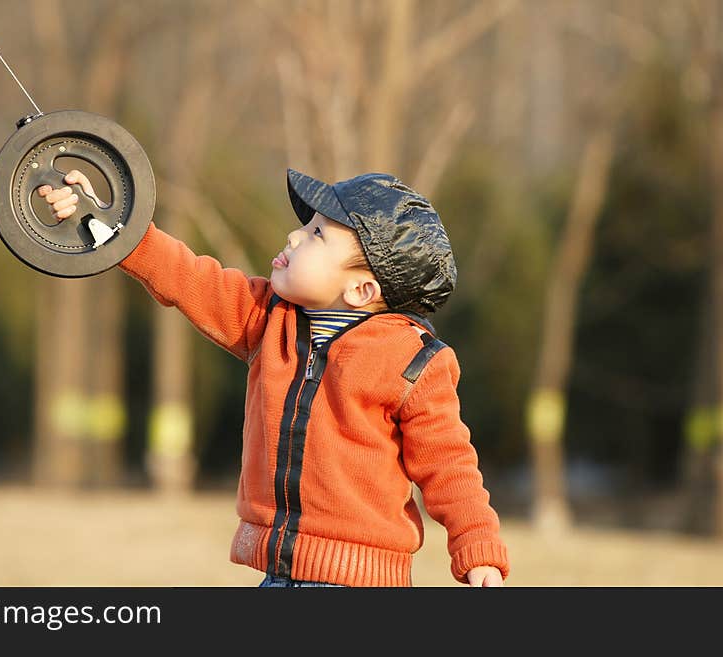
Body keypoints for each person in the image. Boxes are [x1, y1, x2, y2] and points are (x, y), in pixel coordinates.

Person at [38, 167, 510, 587]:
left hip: (360, 586)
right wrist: (103, 222)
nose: (294, 236)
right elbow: (185, 277)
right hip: (279, 575)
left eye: (318, 235)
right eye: (305, 226)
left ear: (362, 289)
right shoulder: (267, 320)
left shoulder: (414, 362)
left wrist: (478, 548)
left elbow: (450, 466)